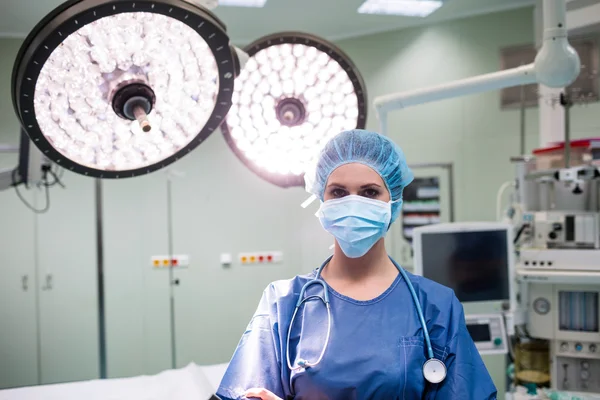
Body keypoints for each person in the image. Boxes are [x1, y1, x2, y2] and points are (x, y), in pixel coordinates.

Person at [216, 129, 497, 400]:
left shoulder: (435, 307)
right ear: (321, 201)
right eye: (338, 193)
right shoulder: (284, 303)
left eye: (370, 192)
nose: (353, 204)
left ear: (394, 202)